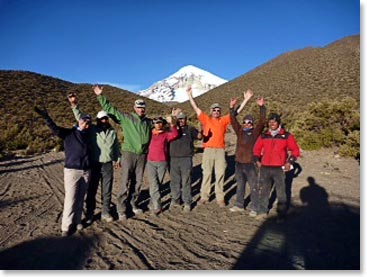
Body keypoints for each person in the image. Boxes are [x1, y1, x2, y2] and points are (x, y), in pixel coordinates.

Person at [93, 85, 152, 220]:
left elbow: (161, 128)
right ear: (134, 108)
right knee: (125, 181)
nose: (141, 109)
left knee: (137, 182)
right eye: (139, 107)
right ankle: (121, 209)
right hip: (128, 153)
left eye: (143, 107)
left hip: (142, 154)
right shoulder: (127, 118)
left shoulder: (148, 122)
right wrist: (100, 96)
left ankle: (133, 204)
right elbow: (110, 110)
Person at [34, 106, 92, 236]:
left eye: (88, 122)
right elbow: (55, 129)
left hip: (86, 170)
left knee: (81, 198)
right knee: (71, 198)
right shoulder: (69, 133)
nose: (86, 124)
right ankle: (66, 226)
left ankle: (77, 221)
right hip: (72, 171)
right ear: (79, 121)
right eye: (84, 121)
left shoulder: (89, 135)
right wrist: (46, 117)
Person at [68, 93, 121, 224]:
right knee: (92, 190)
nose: (104, 121)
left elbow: (115, 147)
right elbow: (80, 118)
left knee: (107, 190)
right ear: (97, 120)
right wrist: (74, 105)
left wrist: (117, 159)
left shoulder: (112, 132)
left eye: (106, 119)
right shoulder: (92, 129)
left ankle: (105, 212)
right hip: (94, 164)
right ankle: (90, 213)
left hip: (108, 164)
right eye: (101, 119)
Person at [186, 86, 231, 207]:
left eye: (218, 110)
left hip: (220, 150)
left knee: (220, 173)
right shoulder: (206, 119)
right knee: (207, 173)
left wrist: (246, 99)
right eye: (214, 110)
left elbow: (235, 113)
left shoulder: (224, 120)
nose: (216, 112)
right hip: (208, 150)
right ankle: (204, 196)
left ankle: (220, 197)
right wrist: (190, 95)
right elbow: (196, 108)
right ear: (211, 111)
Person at [253, 113, 300, 220]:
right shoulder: (264, 135)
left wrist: (289, 162)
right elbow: (256, 150)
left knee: (281, 192)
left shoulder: (286, 136)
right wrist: (257, 161)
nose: (272, 124)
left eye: (274, 121)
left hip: (279, 168)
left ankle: (281, 214)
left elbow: (295, 150)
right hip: (265, 167)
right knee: (264, 190)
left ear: (278, 123)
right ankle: (262, 211)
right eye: (270, 122)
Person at [229, 90, 266, 215]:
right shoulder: (239, 131)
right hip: (239, 162)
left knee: (253, 186)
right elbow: (233, 120)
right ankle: (239, 205)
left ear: (252, 124)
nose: (246, 124)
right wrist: (231, 107)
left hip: (251, 163)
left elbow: (262, 121)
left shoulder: (255, 132)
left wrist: (261, 107)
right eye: (244, 122)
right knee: (240, 185)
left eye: (249, 122)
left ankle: (255, 208)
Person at [169, 110, 202, 212]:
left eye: (183, 119)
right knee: (175, 181)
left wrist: (202, 128)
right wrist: (172, 116)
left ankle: (187, 202)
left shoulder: (190, 129)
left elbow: (200, 137)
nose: (181, 121)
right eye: (179, 119)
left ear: (186, 120)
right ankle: (175, 200)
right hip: (173, 159)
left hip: (186, 159)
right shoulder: (172, 129)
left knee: (186, 181)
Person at [147, 115, 178, 215]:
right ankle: (157, 205)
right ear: (153, 124)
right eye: (156, 122)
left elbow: (175, 134)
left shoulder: (166, 134)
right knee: (153, 183)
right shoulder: (150, 133)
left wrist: (172, 123)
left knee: (158, 183)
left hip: (162, 161)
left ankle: (152, 201)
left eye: (160, 122)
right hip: (150, 161)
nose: (158, 124)